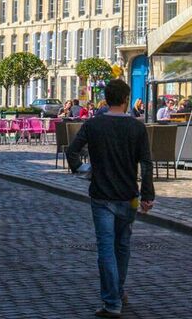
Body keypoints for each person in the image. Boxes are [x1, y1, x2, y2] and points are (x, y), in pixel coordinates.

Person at [66, 80, 155, 319]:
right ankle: (118, 291)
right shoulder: (137, 127)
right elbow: (146, 163)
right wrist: (148, 194)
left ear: (106, 99)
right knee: (122, 246)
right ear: (126, 99)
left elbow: (72, 151)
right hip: (128, 196)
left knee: (106, 248)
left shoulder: (93, 124)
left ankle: (112, 300)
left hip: (102, 195)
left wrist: (83, 170)